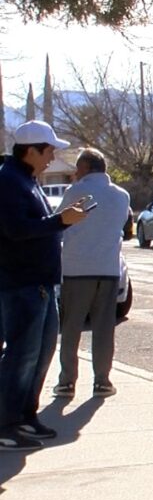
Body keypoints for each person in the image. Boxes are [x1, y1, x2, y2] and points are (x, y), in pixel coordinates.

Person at [0, 121, 88, 451]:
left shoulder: (26, 180)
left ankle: (24, 415)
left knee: (40, 353)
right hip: (21, 282)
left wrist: (59, 221)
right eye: (49, 150)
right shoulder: (8, 182)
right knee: (21, 355)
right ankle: (5, 423)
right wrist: (60, 221)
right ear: (31, 150)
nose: (53, 156)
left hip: (40, 281)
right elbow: (15, 229)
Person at [53, 148, 131, 399]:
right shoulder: (122, 196)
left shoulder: (75, 192)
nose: (75, 173)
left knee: (72, 327)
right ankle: (102, 380)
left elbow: (61, 223)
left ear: (85, 168)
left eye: (78, 169)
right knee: (104, 328)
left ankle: (67, 381)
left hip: (77, 268)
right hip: (108, 268)